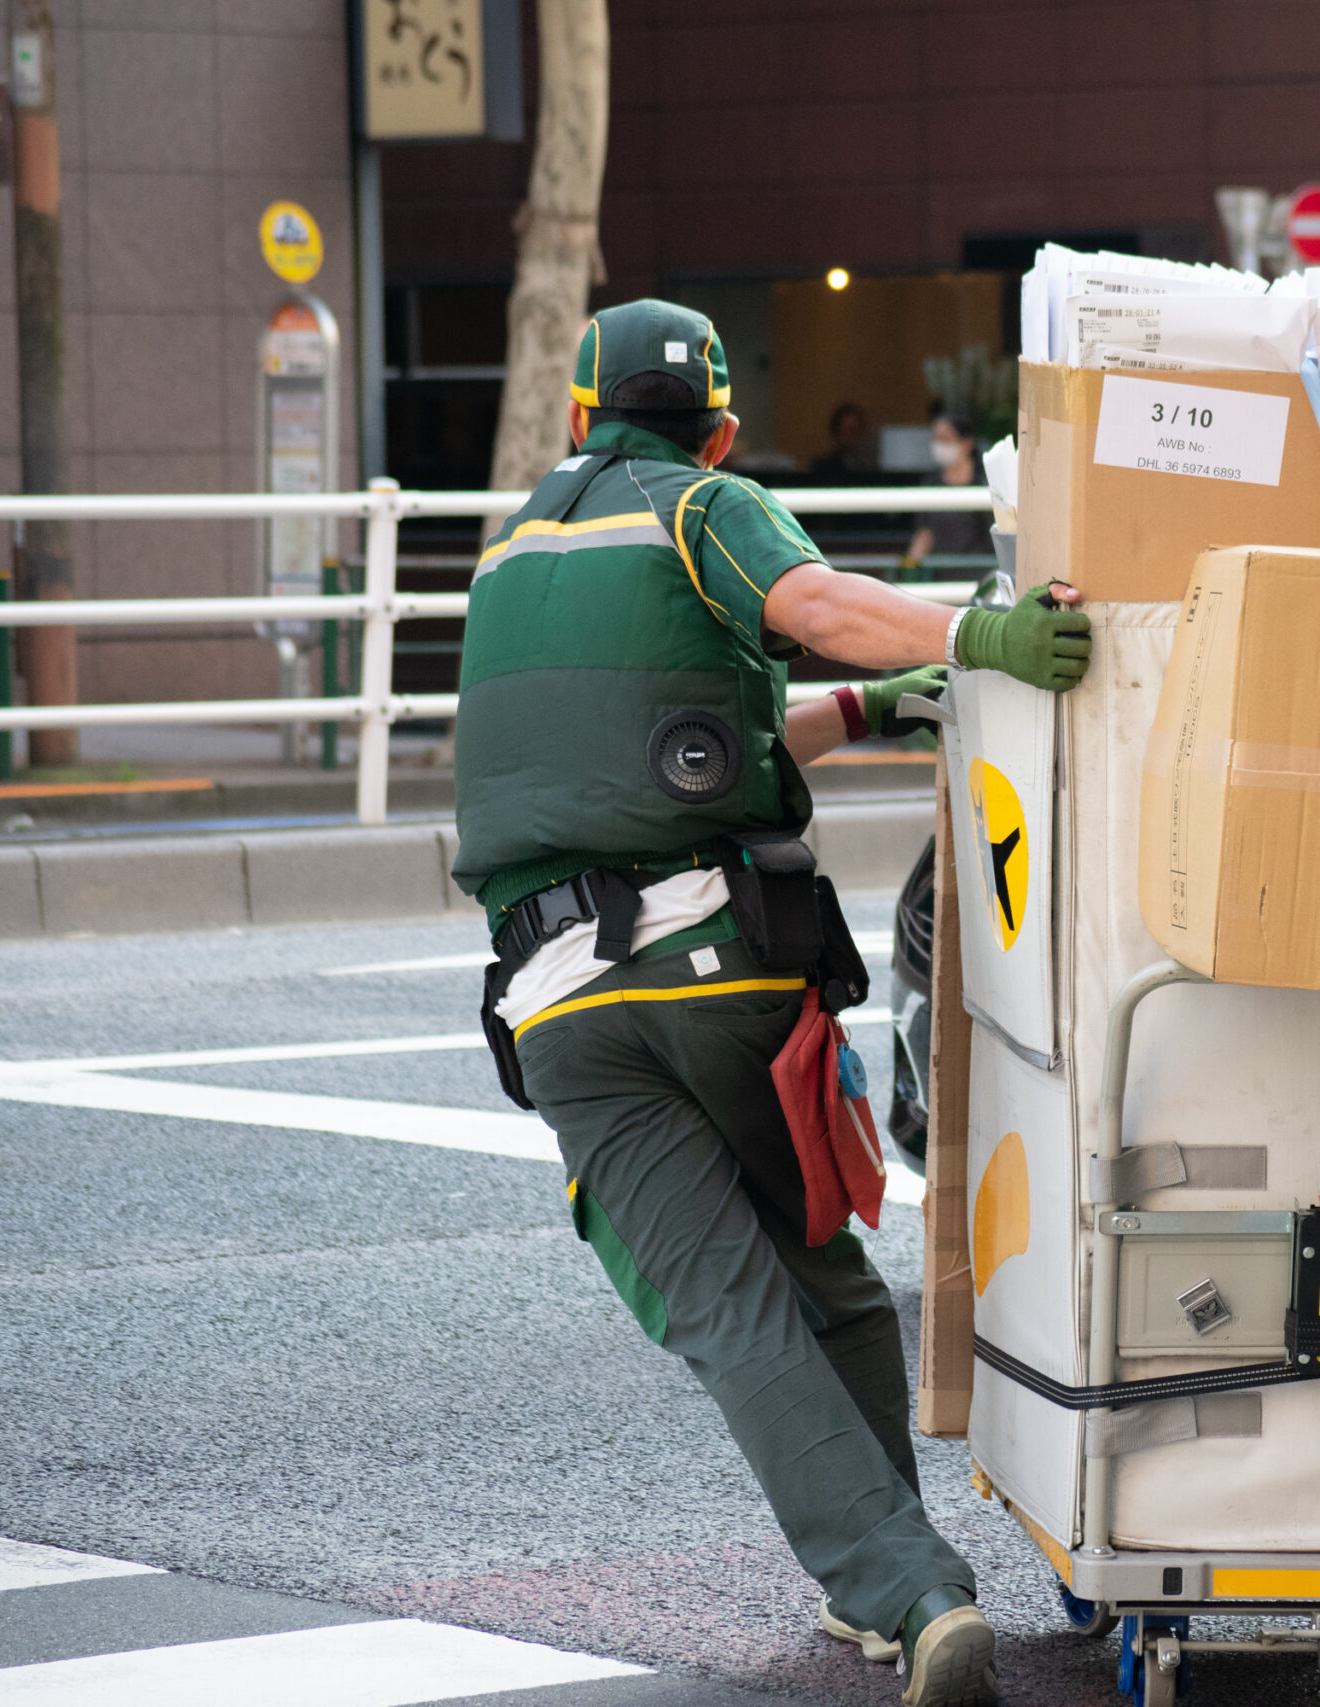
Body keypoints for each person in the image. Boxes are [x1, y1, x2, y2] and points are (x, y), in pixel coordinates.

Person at [451, 300, 1089, 1707]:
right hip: (718, 966)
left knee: (732, 1308)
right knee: (823, 1271)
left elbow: (648, 737)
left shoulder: (509, 555)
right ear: (723, 428)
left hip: (558, 1003)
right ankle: (901, 1584)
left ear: (575, 420)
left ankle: (905, 1597)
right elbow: (818, 611)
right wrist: (983, 634)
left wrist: (863, 714)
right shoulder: (707, 505)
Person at [904, 411, 990, 574]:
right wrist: (907, 571)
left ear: (967, 443)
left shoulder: (984, 486)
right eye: (936, 438)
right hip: (940, 577)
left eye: (946, 439)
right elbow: (924, 535)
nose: (939, 445)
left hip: (977, 577)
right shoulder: (931, 486)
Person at [816, 401, 874, 477]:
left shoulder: (870, 467)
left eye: (856, 431)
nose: (852, 437)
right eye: (847, 430)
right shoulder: (822, 467)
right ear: (836, 432)